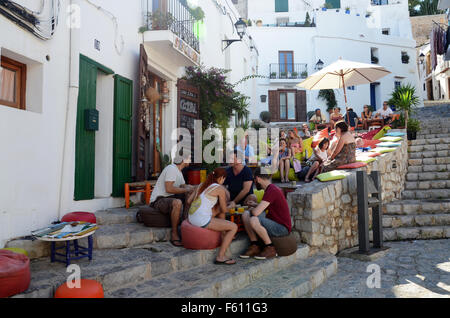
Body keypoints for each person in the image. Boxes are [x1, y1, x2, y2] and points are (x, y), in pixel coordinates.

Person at [187, 168, 238, 265]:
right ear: (222, 178)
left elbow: (189, 201)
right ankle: (221, 256)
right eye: (224, 179)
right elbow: (224, 210)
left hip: (191, 217)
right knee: (233, 227)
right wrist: (232, 205)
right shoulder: (219, 189)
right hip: (201, 220)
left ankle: (223, 235)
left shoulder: (202, 184)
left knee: (218, 209)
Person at [240, 168, 292, 260]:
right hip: (273, 221)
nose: (254, 183)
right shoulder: (270, 189)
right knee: (245, 214)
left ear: (258, 179)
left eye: (254, 180)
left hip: (282, 227)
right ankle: (254, 245)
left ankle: (270, 248)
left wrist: (254, 208)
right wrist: (255, 205)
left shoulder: (272, 190)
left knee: (254, 219)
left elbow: (256, 212)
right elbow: (268, 206)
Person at [150, 153, 193, 247]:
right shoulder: (171, 169)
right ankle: (174, 234)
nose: (191, 160)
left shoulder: (179, 172)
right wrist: (187, 189)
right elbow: (169, 189)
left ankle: (185, 224)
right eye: (189, 158)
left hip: (169, 198)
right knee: (177, 202)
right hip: (159, 200)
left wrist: (195, 187)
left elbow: (184, 187)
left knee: (190, 194)